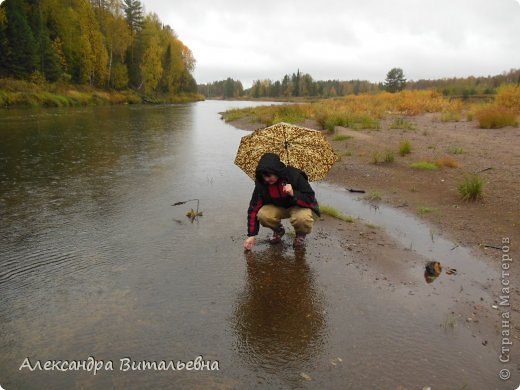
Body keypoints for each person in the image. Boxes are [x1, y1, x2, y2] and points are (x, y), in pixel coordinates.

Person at [243, 153, 320, 251]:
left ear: (276, 171)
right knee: (263, 215)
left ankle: (300, 235)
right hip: (278, 207)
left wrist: (293, 193)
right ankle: (279, 231)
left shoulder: (295, 176)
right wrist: (252, 235)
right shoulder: (262, 184)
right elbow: (253, 208)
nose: (266, 179)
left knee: (302, 218)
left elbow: (310, 199)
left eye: (269, 175)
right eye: (264, 176)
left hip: (298, 206)